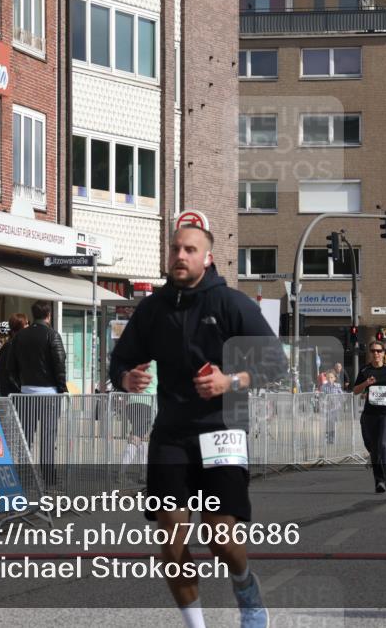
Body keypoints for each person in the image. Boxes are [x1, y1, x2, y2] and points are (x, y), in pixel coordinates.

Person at [111, 225, 285, 628]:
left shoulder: (231, 304)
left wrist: (232, 381)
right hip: (171, 433)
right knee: (171, 544)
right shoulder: (152, 309)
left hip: (222, 429)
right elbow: (119, 361)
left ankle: (246, 589)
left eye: (190, 249)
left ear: (206, 257)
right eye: (175, 248)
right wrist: (126, 379)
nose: (180, 256)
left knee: (221, 539)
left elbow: (275, 362)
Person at [8, 301, 68, 486]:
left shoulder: (20, 337)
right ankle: (48, 477)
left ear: (32, 315)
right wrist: (62, 389)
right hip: (49, 393)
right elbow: (59, 364)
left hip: (25, 393)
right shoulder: (52, 335)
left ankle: (23, 476)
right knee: (48, 437)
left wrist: (20, 386)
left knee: (25, 437)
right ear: (48, 315)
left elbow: (11, 367)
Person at [352, 340, 386, 493]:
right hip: (370, 413)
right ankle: (378, 480)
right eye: (373, 351)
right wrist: (366, 384)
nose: (376, 353)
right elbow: (355, 391)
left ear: (383, 353)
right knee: (375, 449)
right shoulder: (364, 370)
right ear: (370, 353)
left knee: (383, 444)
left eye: (379, 351)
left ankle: (382, 480)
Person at [0, 313, 28, 396]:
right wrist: (21, 388)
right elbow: (7, 372)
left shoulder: (13, 344)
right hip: (12, 394)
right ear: (20, 327)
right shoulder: (10, 346)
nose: (28, 326)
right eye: (26, 324)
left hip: (13, 392)